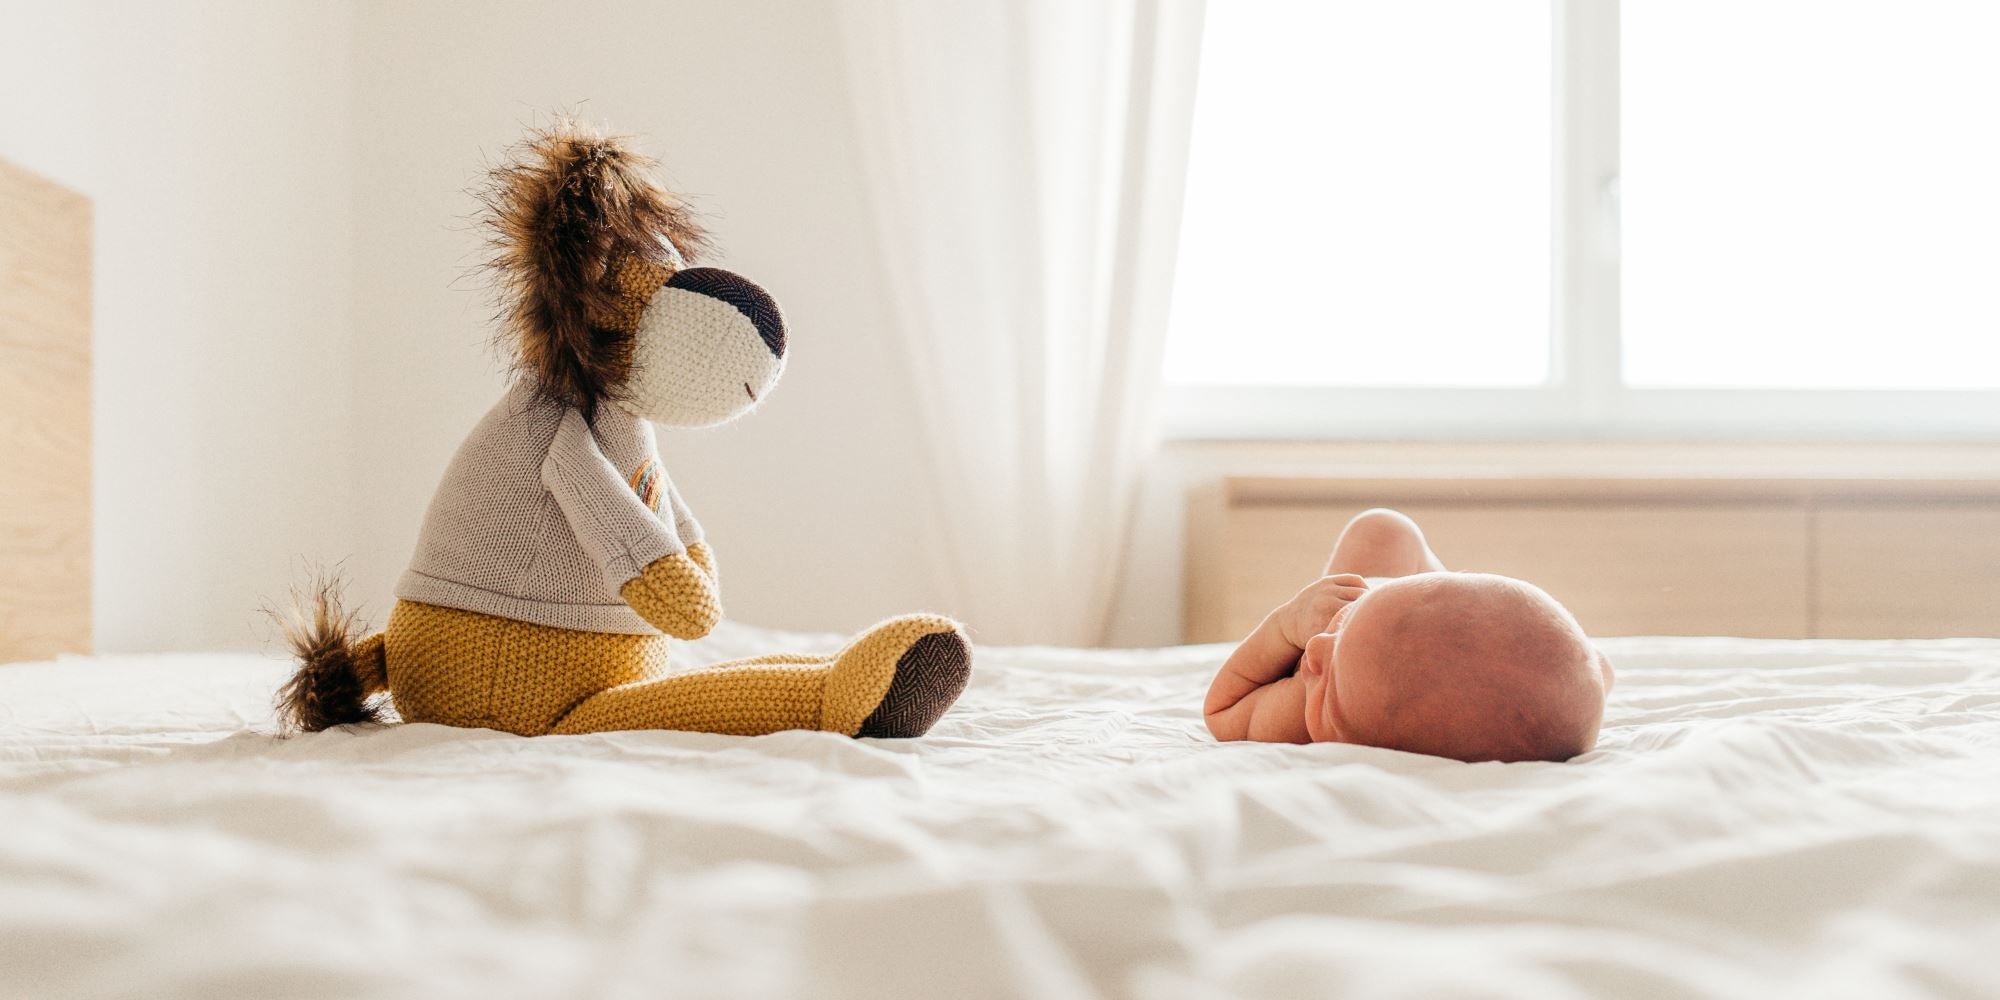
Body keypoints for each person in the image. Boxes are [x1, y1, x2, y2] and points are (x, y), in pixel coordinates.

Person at [1203, 509, 1613, 762]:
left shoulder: (1299, 718)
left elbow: (1223, 709)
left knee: (1379, 531)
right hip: (1394, 622)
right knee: (1386, 531)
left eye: (1328, 671)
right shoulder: (1352, 693)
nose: (1316, 647)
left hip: (1385, 631)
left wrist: (1284, 625)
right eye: (1342, 624)